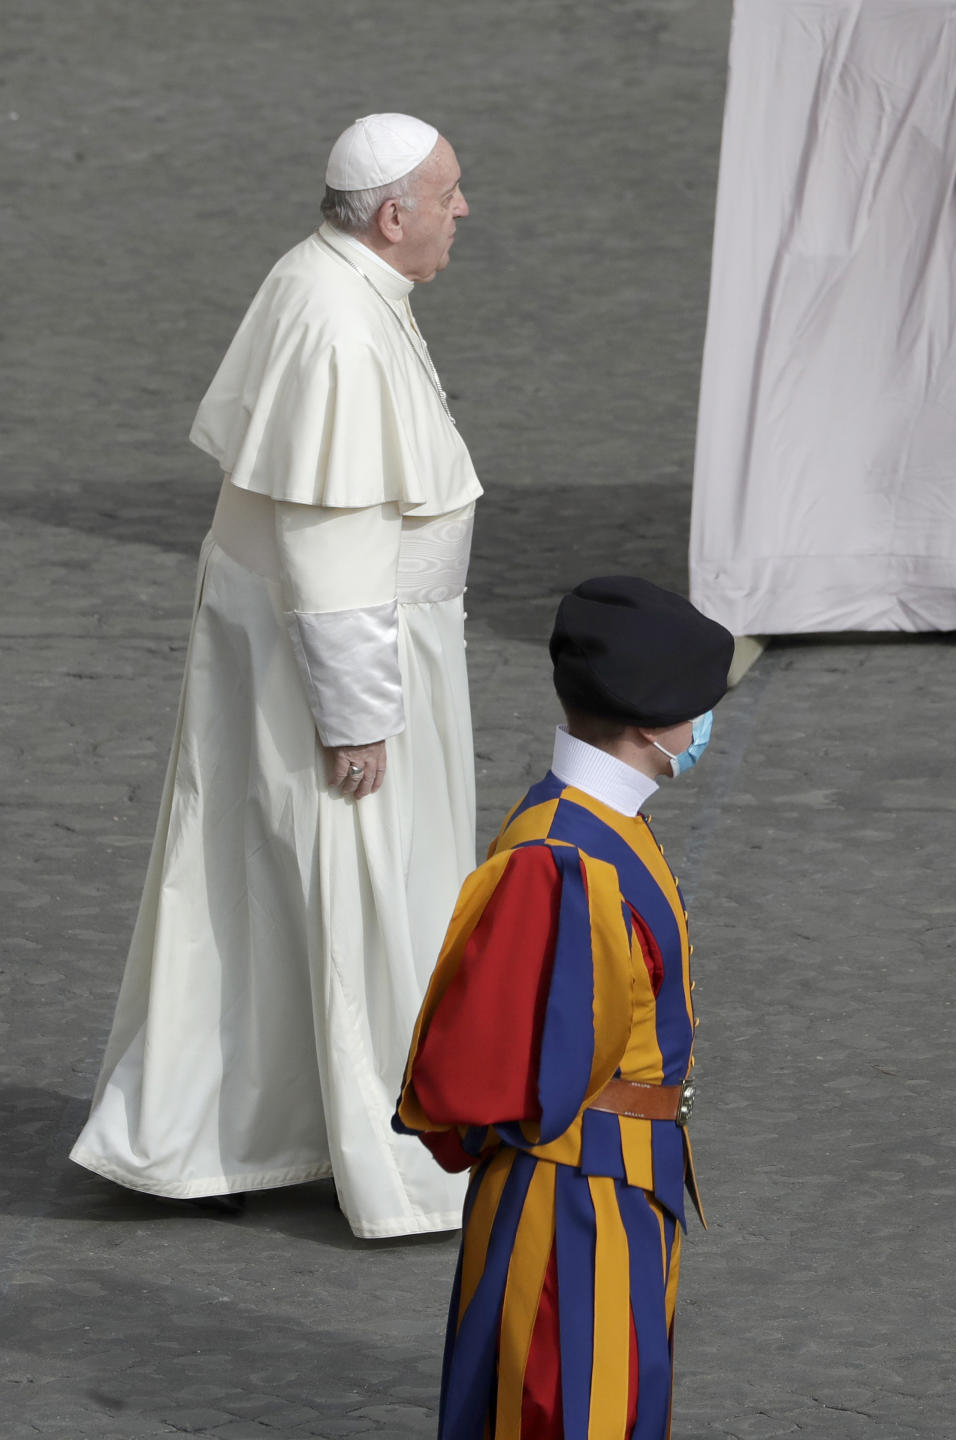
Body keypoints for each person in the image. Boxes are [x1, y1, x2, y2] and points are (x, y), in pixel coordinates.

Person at [70, 113, 482, 1239]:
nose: (463, 210)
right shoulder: (342, 328)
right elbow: (332, 547)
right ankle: (387, 1147)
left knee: (272, 889)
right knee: (353, 891)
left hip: (327, 652)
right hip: (343, 673)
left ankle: (248, 1128)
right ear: (392, 216)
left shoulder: (323, 280)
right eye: (449, 193)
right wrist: (357, 719)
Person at [394, 576, 734, 1438]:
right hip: (576, 1194)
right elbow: (497, 1063)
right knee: (569, 1407)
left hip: (616, 1179)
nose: (702, 730)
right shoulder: (564, 859)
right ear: (652, 728)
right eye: (695, 711)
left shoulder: (586, 821)